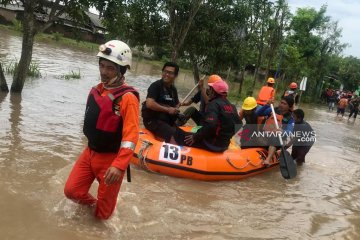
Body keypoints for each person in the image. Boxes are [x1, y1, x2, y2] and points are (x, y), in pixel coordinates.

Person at [64, 40, 140, 219]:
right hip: (90, 152)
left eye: (110, 68)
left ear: (122, 70)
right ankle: (92, 205)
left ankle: (100, 217)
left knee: (103, 216)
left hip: (110, 160)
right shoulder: (97, 90)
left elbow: (131, 136)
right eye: (102, 66)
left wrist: (119, 165)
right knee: (71, 191)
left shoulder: (128, 98)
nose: (104, 72)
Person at [184, 80, 242, 152]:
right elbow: (239, 123)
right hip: (224, 146)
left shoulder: (213, 104)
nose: (209, 91)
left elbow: (211, 125)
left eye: (210, 89)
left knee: (181, 136)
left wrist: (195, 137)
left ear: (213, 91)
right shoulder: (232, 106)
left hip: (212, 145)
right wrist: (226, 137)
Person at [141, 62, 183, 144]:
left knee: (181, 134)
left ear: (175, 76)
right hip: (153, 120)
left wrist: (176, 108)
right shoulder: (155, 86)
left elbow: (175, 105)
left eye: (170, 73)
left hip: (165, 121)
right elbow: (149, 103)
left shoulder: (173, 89)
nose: (166, 74)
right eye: (165, 71)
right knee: (174, 135)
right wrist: (167, 110)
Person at [255, 96, 295, 166]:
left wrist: (282, 131)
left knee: (275, 137)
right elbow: (257, 113)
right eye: (281, 102)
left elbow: (289, 131)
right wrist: (266, 105)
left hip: (278, 139)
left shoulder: (290, 118)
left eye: (284, 104)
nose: (281, 105)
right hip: (266, 136)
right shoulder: (272, 110)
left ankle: (268, 159)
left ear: (289, 107)